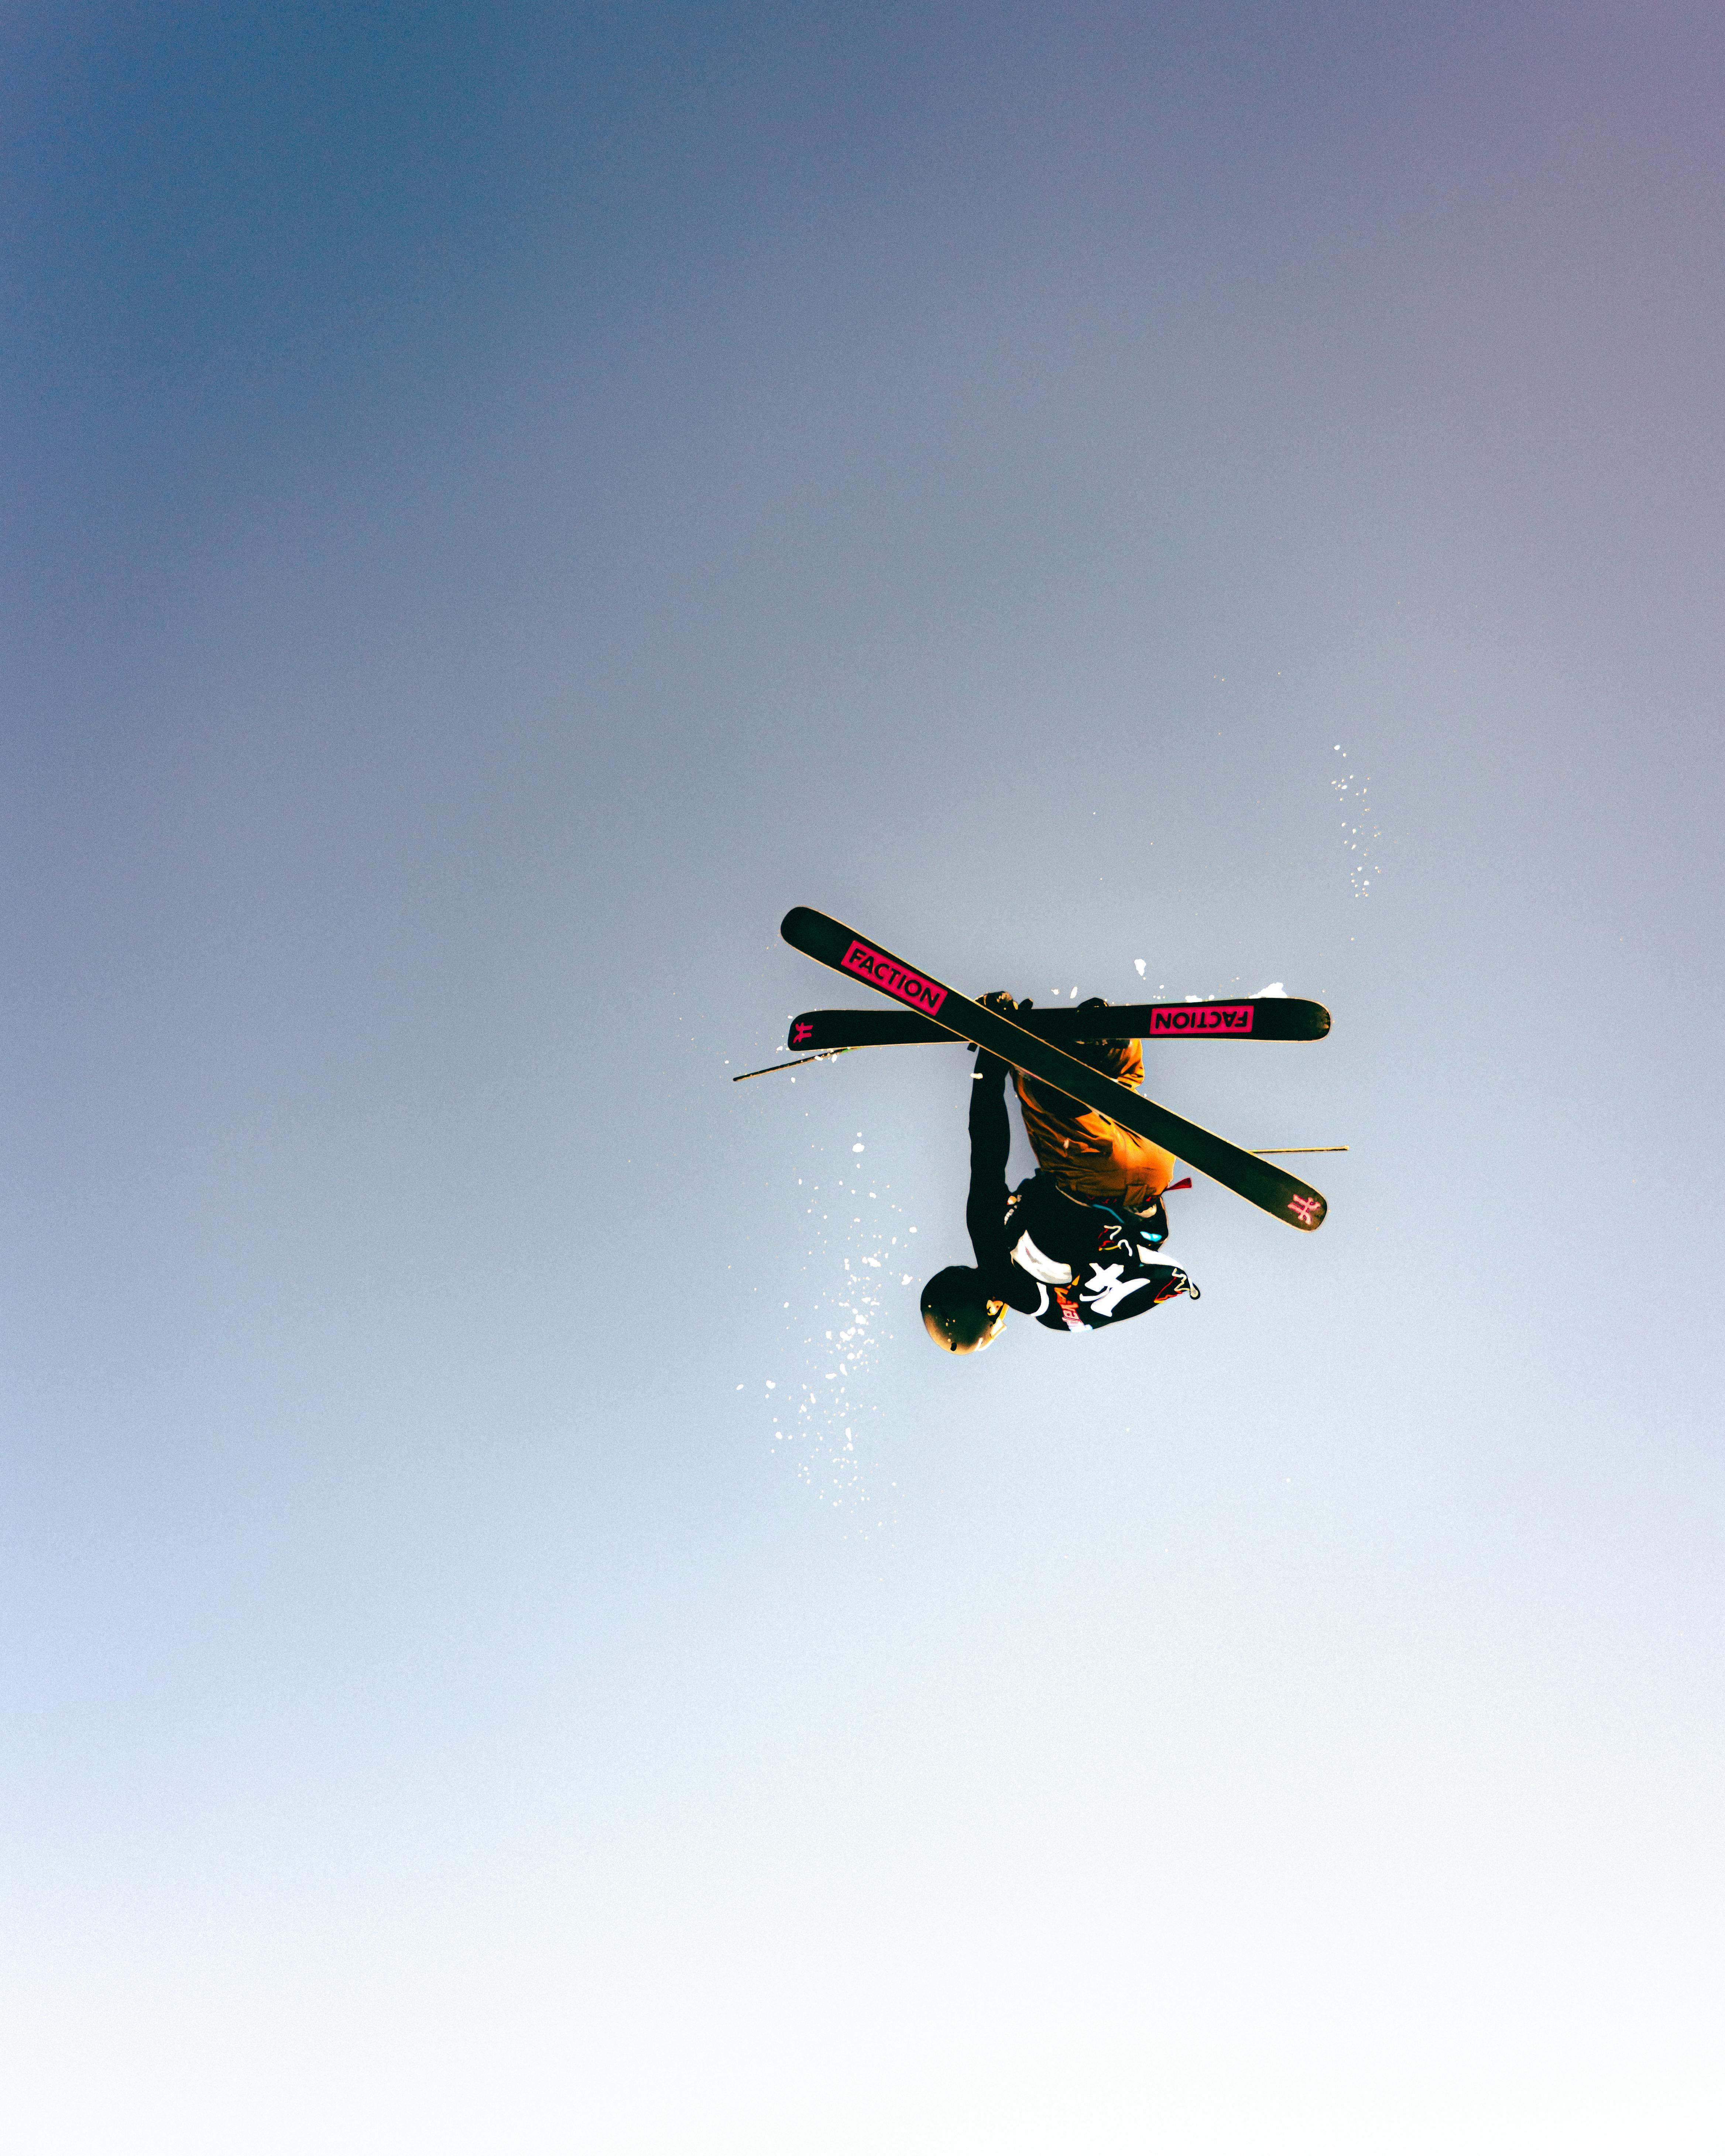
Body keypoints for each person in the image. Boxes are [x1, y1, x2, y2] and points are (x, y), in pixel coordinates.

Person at [921, 996, 1200, 1352]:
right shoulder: (997, 1252)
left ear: (986, 1310)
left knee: (1098, 1097)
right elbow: (988, 1147)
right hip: (1100, 1168)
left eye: (996, 1323)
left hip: (1149, 1170)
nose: (1004, 1315)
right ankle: (1087, 1051)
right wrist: (992, 1054)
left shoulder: (1052, 1310)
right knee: (1033, 1089)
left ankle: (1106, 1046)